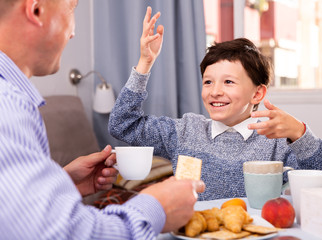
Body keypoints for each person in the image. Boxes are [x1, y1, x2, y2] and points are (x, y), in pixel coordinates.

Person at [0, 1, 205, 239]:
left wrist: (61, 182)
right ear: (36, 10)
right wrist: (156, 207)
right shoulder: (7, 106)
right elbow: (65, 234)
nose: (74, 32)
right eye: (72, 8)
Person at [108, 11, 322, 201]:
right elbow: (123, 125)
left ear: (257, 93)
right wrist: (144, 64)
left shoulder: (276, 142)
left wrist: (300, 133)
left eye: (228, 82)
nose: (215, 91)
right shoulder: (185, 131)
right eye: (208, 82)